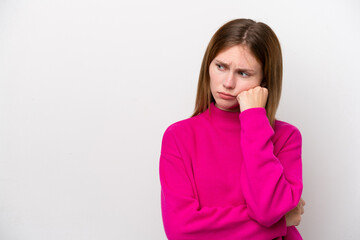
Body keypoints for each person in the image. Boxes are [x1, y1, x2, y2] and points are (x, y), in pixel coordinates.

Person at [159, 18, 306, 240]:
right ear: (208, 65)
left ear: (264, 82)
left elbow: (267, 211)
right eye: (221, 66)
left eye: (243, 73)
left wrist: (254, 120)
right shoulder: (179, 137)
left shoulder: (286, 138)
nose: (227, 83)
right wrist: (281, 222)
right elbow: (182, 231)